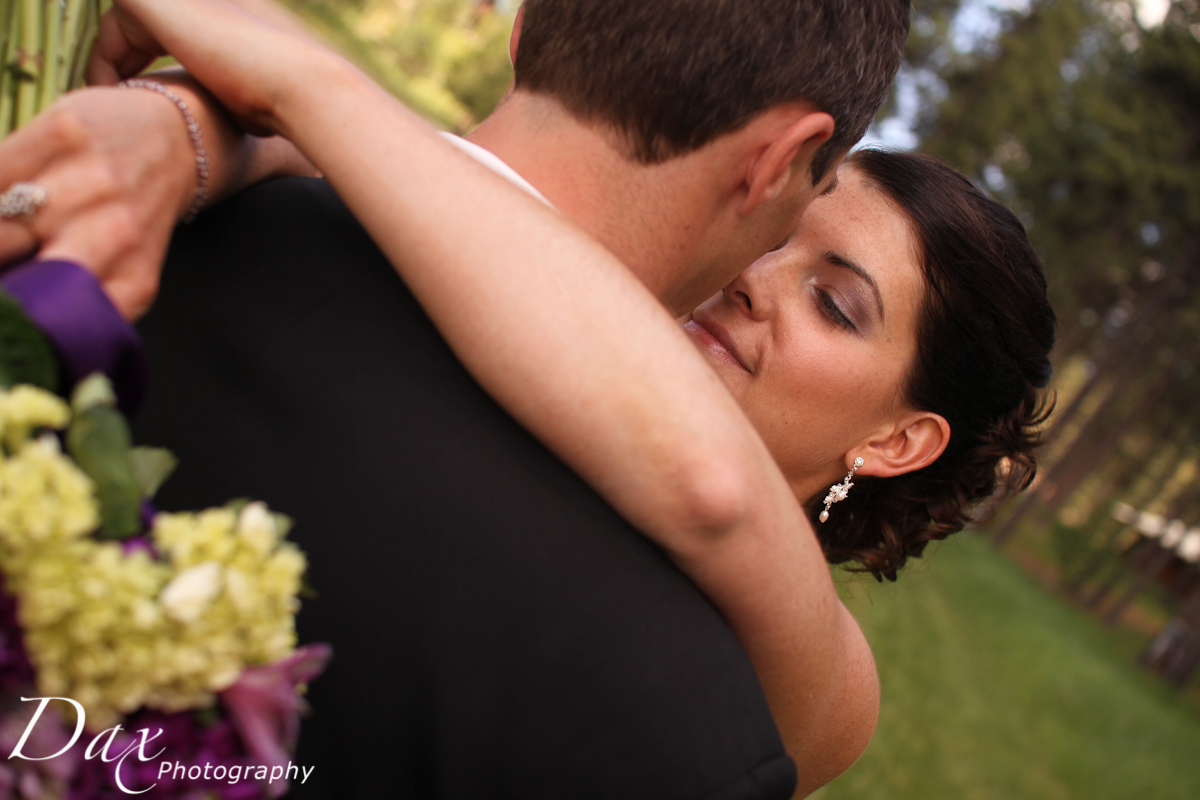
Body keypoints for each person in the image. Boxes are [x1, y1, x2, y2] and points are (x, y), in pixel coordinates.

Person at [0, 0, 1052, 796]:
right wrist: (204, 125)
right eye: (783, 237)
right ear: (774, 163)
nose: (755, 279)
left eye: (834, 300)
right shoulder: (692, 722)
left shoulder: (796, 679)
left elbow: (712, 487)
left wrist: (281, 97)